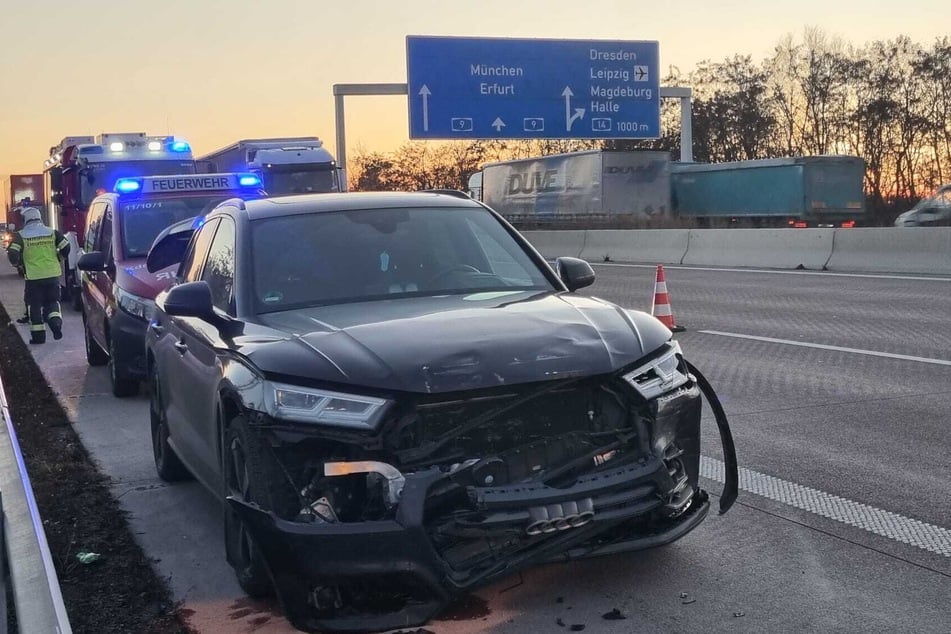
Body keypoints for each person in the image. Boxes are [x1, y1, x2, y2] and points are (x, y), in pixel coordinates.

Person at [6, 207, 70, 344]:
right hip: (52, 275)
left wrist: (18, 263)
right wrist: (58, 257)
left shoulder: (21, 235)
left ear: (26, 219)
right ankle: (56, 325)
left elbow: (12, 253)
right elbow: (66, 247)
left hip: (33, 278)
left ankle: (39, 337)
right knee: (52, 302)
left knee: (34, 306)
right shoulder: (52, 232)